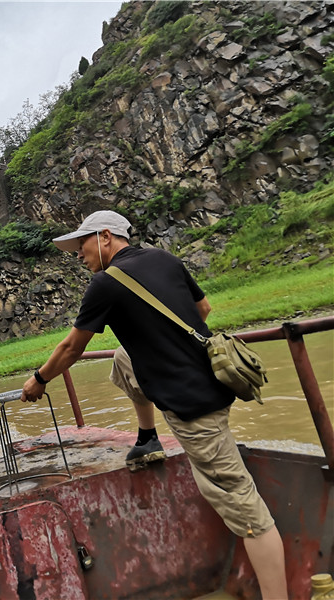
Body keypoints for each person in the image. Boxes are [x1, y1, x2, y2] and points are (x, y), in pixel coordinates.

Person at [20, 210, 287, 599]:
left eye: (82, 246)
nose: (79, 255)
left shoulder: (105, 284)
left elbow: (72, 348)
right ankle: (148, 436)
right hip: (209, 380)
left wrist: (39, 380)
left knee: (245, 510)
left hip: (194, 408)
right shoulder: (165, 258)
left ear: (105, 237)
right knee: (124, 358)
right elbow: (204, 310)